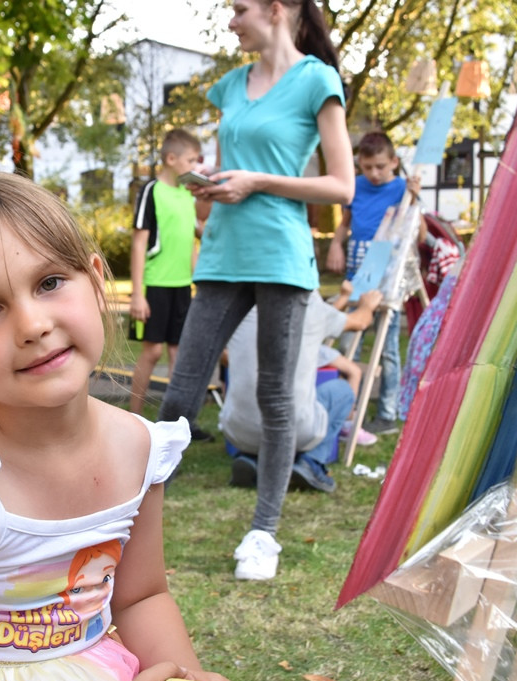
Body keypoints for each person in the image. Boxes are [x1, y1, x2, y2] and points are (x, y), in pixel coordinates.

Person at [0, 172, 229, 681]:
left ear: (94, 281)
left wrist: (184, 674)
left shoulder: (139, 449)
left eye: (49, 283)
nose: (32, 326)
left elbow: (142, 597)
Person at [158, 0, 354, 582]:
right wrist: (215, 186)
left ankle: (263, 533)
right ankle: (129, 519)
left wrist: (258, 182)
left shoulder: (317, 81)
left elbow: (340, 184)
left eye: (239, 8)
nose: (231, 19)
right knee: (180, 396)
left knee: (276, 398)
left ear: (275, 9)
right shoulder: (230, 86)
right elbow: (229, 169)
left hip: (282, 259)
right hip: (223, 254)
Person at [220, 283, 383, 495]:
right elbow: (361, 321)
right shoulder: (308, 307)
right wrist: (367, 305)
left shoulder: (235, 309)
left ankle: (252, 458)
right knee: (341, 391)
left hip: (237, 430)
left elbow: (223, 356)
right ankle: (311, 462)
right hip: (291, 431)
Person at [325, 131, 421, 436]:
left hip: (385, 278)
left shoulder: (403, 190)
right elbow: (345, 225)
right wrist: (336, 245)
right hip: (357, 276)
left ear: (393, 161)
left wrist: (415, 198)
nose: (374, 173)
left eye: (380, 166)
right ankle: (345, 410)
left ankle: (387, 413)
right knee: (346, 342)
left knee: (387, 347)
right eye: (367, 167)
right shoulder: (356, 187)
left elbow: (416, 234)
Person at [128, 129, 202, 415]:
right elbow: (138, 243)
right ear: (171, 158)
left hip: (183, 286)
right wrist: (137, 294)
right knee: (153, 351)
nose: (194, 168)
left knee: (177, 354)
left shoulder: (187, 194)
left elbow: (190, 242)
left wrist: (198, 284)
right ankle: (134, 416)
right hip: (155, 285)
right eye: (191, 161)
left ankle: (177, 421)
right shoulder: (150, 191)